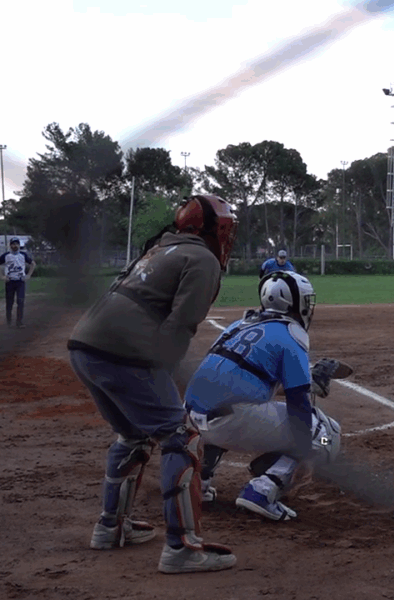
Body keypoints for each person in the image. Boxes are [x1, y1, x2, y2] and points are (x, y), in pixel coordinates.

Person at [67, 195, 238, 574]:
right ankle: (182, 547)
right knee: (182, 437)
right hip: (124, 353)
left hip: (84, 346)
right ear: (217, 230)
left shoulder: (161, 248)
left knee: (132, 436)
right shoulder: (202, 259)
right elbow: (179, 326)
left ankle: (111, 527)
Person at [185, 271, 343, 522]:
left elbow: (244, 378)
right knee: (324, 433)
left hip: (193, 421)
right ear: (294, 303)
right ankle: (264, 489)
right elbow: (298, 405)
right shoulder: (292, 334)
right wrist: (302, 452)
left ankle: (200, 484)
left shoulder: (239, 325)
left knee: (226, 406)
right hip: (232, 423)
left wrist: (307, 381)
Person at [2, 238, 35, 328]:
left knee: (20, 301)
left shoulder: (23, 255)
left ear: (19, 245)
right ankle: (9, 320)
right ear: (10, 245)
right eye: (13, 244)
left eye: (16, 244)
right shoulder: (6, 255)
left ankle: (19, 322)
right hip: (10, 282)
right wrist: (2, 276)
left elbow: (32, 263)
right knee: (9, 302)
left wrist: (29, 275)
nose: (15, 246)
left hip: (20, 281)